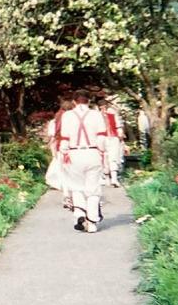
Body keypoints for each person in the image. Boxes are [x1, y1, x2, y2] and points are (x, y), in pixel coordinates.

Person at [58, 90, 107, 233]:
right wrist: (102, 152)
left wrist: (64, 152)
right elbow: (101, 139)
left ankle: (79, 214)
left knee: (76, 186)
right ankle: (92, 222)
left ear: (74, 101)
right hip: (92, 152)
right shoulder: (96, 115)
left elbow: (64, 139)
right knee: (93, 189)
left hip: (74, 153)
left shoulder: (67, 116)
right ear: (89, 101)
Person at [44, 99, 75, 209]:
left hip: (60, 148)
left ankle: (67, 196)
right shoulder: (75, 119)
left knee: (64, 173)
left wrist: (53, 149)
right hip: (75, 149)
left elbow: (52, 136)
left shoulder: (55, 121)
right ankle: (77, 197)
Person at [99, 99, 125, 187]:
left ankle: (106, 178)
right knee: (113, 157)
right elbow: (119, 127)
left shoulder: (96, 115)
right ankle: (114, 178)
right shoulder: (113, 114)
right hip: (113, 137)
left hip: (101, 137)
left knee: (103, 157)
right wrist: (121, 138)